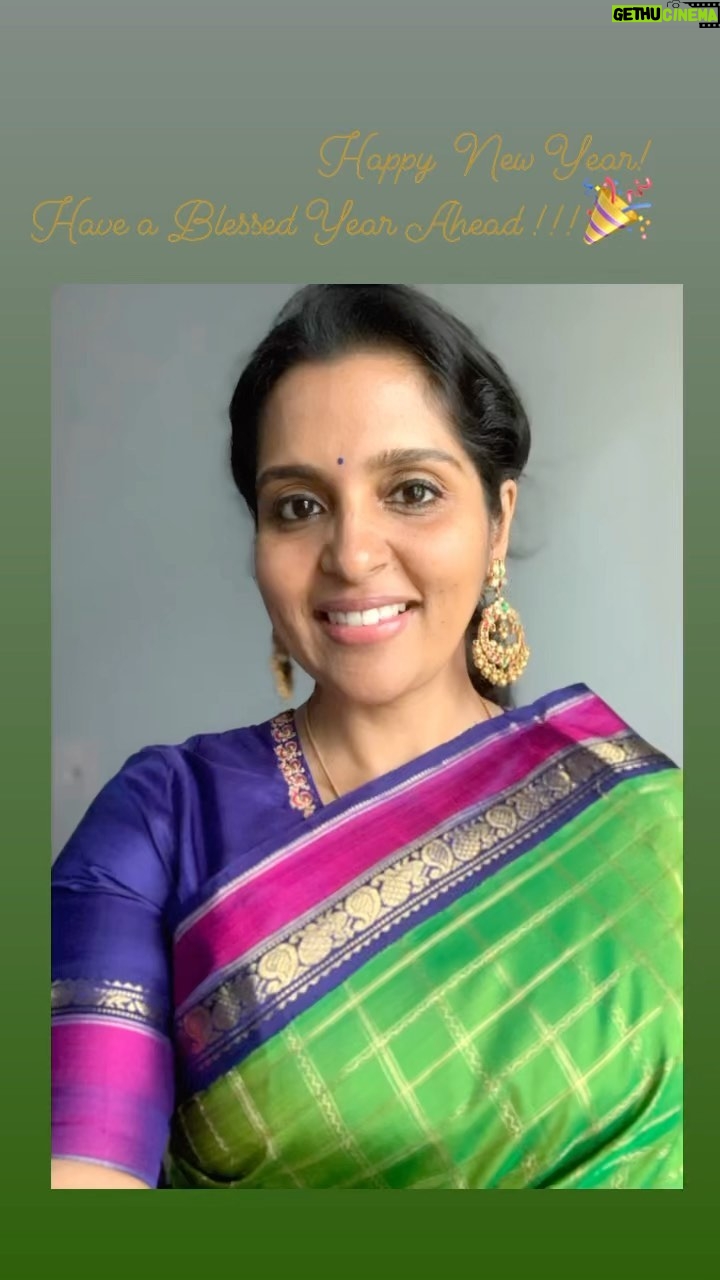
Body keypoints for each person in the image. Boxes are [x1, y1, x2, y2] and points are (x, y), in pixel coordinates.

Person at [51, 284, 682, 1190]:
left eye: (412, 492)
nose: (351, 554)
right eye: (298, 506)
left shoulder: (651, 831)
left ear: (498, 522)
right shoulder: (161, 828)